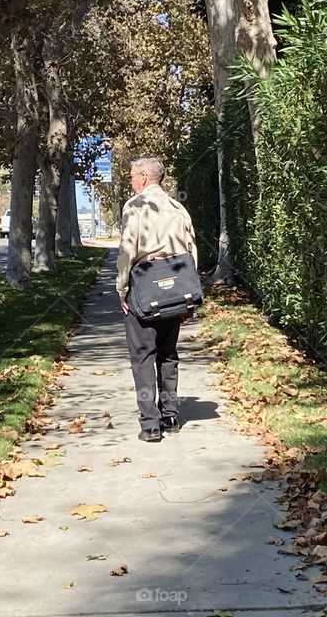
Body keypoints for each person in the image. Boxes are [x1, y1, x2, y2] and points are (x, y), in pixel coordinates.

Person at [116, 157, 198, 443]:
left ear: (143, 177)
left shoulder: (135, 206)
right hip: (176, 285)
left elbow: (127, 250)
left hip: (145, 284)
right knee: (168, 353)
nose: (130, 181)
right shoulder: (178, 208)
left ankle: (150, 424)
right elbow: (191, 249)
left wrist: (122, 288)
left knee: (142, 356)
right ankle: (171, 416)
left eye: (131, 176)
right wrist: (189, 293)